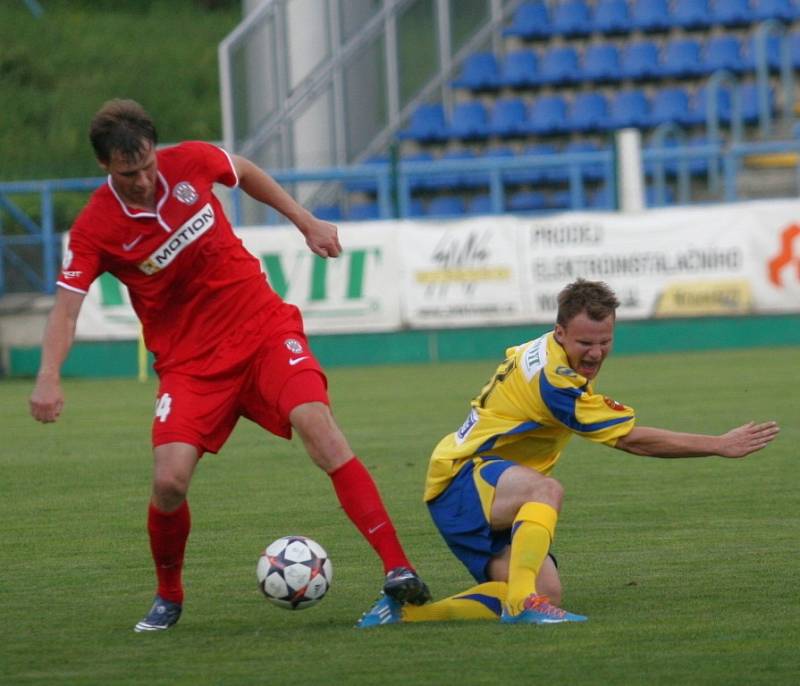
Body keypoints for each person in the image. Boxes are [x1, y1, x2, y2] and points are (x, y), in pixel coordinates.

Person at [28, 98, 430, 632]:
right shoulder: (95, 229)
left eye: (147, 164)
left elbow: (242, 171)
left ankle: (398, 568)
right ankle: (168, 595)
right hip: (190, 365)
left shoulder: (190, 161)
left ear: (155, 149)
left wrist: (304, 220)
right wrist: (49, 374)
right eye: (129, 173)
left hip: (262, 330)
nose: (144, 180)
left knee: (322, 429)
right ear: (105, 166)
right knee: (169, 482)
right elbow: (67, 309)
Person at [357, 278, 779, 628]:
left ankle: (410, 614)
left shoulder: (550, 352)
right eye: (585, 342)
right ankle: (523, 605)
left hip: (480, 486)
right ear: (560, 332)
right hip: (465, 476)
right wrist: (719, 445)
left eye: (605, 341)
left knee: (549, 591)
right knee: (546, 491)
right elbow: (631, 440)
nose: (595, 353)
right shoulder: (556, 382)